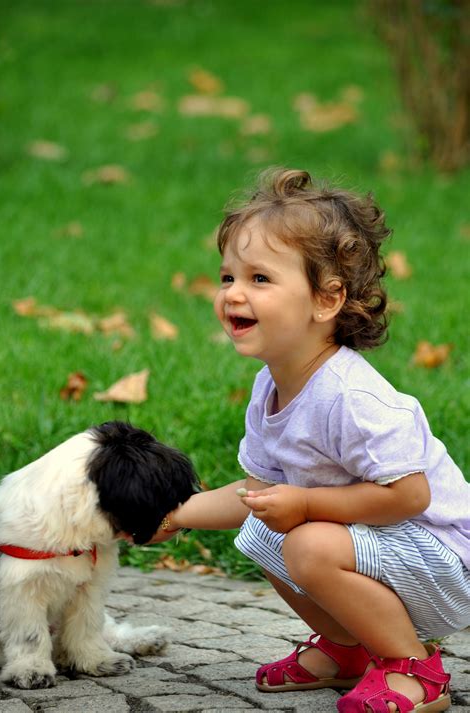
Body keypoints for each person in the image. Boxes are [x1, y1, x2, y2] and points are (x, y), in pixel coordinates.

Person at [151, 168, 470, 712]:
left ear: (326, 300)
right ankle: (348, 650)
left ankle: (414, 667)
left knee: (304, 540)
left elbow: (410, 496)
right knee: (262, 529)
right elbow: (256, 493)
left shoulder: (352, 397)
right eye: (228, 277)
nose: (233, 294)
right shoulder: (270, 385)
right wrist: (176, 513)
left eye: (259, 279)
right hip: (379, 548)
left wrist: (303, 503)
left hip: (445, 560)